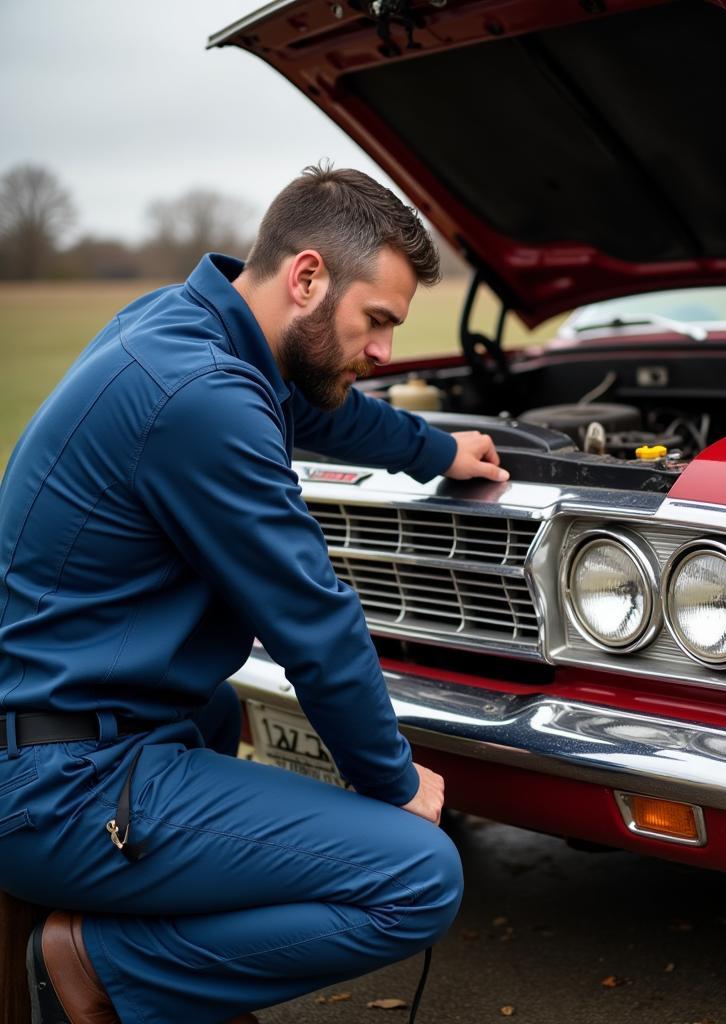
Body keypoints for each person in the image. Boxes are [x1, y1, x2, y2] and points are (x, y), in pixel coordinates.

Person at [0, 165, 510, 1023]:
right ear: (307, 276)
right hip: (63, 786)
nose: (384, 351)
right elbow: (314, 622)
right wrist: (390, 785)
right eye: (376, 321)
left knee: (217, 718)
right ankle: (95, 971)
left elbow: (323, 412)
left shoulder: (184, 326)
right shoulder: (199, 398)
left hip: (69, 739)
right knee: (416, 877)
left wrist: (435, 451)